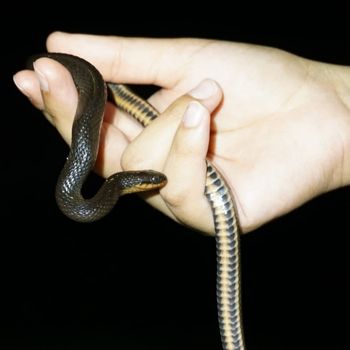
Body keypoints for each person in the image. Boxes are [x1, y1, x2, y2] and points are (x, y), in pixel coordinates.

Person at [13, 32, 350, 234]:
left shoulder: (108, 184)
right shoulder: (102, 187)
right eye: (149, 181)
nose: (154, 183)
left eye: (149, 181)